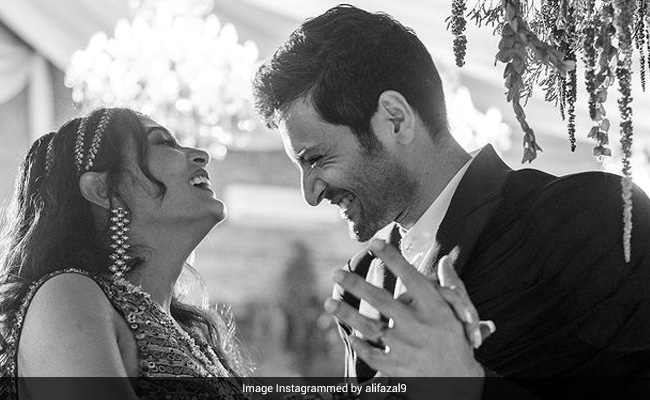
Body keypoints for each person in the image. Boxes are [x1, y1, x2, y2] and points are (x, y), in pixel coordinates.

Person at [252, 4, 650, 398]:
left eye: (317, 159)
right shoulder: (360, 283)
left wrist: (467, 385)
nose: (310, 193)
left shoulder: (589, 216)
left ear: (395, 119)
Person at [0, 108, 253, 399]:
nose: (201, 155)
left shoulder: (193, 335)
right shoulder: (66, 293)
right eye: (163, 142)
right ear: (103, 190)